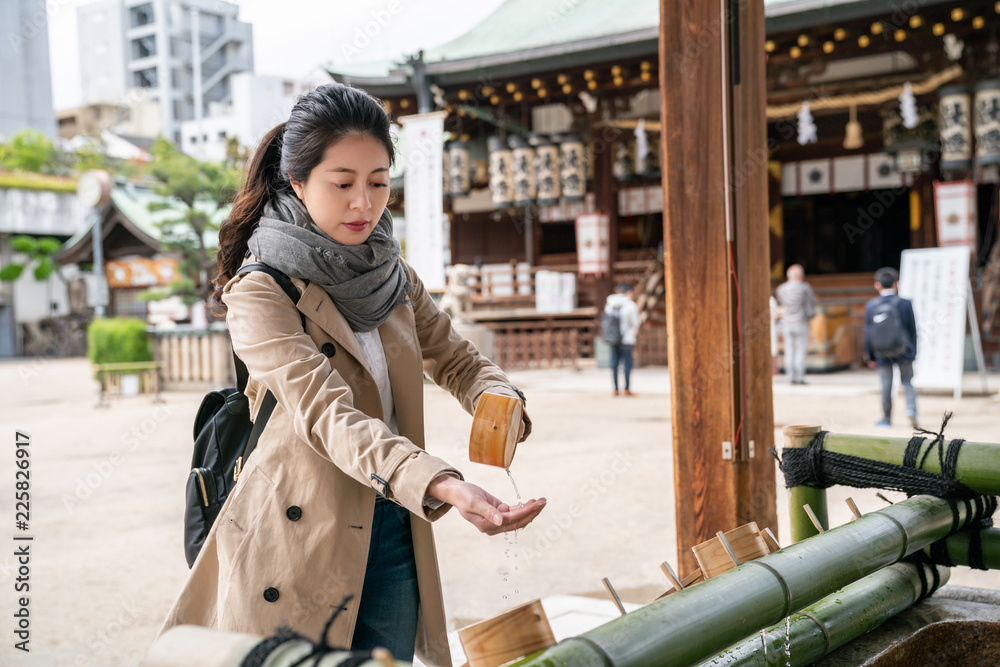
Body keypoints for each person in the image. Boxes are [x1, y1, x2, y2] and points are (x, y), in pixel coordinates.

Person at [157, 84, 545, 666]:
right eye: (342, 184)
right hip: (297, 531)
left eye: (379, 182)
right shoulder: (261, 289)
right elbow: (328, 416)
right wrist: (442, 483)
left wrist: (499, 398)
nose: (364, 203)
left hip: (394, 520)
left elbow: (458, 359)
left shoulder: (393, 275)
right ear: (297, 181)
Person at [864, 267, 918, 429]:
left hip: (881, 351)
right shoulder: (905, 303)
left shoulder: (871, 306)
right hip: (904, 349)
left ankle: (886, 418)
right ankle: (911, 410)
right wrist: (913, 350)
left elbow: (868, 333)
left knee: (886, 384)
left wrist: (870, 355)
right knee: (907, 382)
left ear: (877, 285)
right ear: (896, 283)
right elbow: (912, 329)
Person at [776, 264, 816, 385]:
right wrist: (810, 315)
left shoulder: (781, 288)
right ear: (799, 275)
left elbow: (782, 303)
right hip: (801, 322)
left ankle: (790, 376)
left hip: (787, 322)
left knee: (789, 350)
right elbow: (811, 304)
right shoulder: (805, 288)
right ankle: (799, 377)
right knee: (800, 350)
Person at [604, 282, 640, 396]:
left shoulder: (609, 304)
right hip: (627, 338)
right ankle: (627, 388)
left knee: (614, 363)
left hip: (613, 338)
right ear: (629, 292)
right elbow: (636, 322)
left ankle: (615, 388)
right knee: (627, 364)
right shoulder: (630, 305)